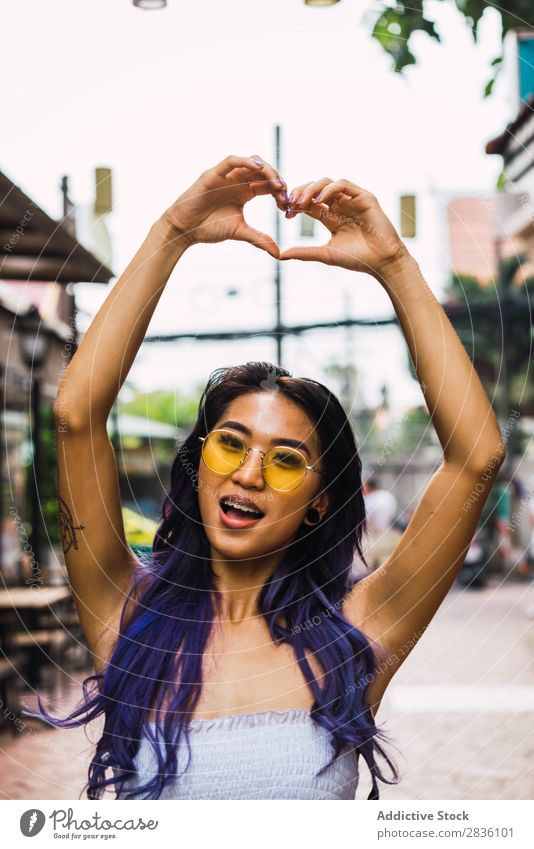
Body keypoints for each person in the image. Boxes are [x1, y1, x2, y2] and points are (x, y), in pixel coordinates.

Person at [26, 154, 505, 800]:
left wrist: (395, 265)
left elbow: (476, 456)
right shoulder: (126, 615)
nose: (249, 473)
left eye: (285, 460)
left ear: (318, 501)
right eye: (229, 444)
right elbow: (77, 414)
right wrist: (174, 231)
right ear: (197, 466)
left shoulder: (360, 629)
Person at [362, 475, 400, 571]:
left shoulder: (370, 499)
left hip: (373, 533)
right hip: (387, 530)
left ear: (368, 487)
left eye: (364, 486)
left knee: (370, 557)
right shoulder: (387, 495)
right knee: (384, 559)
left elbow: (367, 519)